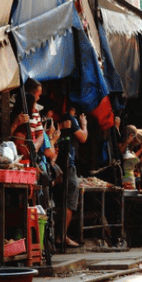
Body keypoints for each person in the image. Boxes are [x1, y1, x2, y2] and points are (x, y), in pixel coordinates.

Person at [57, 105, 87, 247]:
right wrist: (84, 125)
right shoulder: (71, 118)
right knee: (69, 199)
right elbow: (83, 137)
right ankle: (62, 236)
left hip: (61, 163)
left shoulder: (62, 118)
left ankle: (61, 235)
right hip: (67, 164)